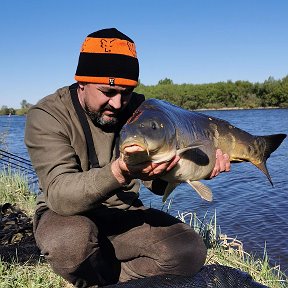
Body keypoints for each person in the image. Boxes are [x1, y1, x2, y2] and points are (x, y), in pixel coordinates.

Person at [25, 28, 230, 288]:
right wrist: (121, 171)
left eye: (127, 91)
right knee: (70, 243)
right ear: (82, 83)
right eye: (108, 93)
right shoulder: (47, 115)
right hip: (66, 215)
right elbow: (60, 195)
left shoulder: (140, 110)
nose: (118, 103)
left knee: (188, 250)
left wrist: (191, 170)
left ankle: (110, 275)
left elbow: (155, 186)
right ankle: (93, 273)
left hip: (124, 212)